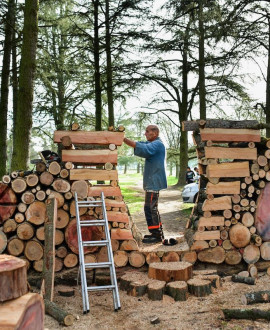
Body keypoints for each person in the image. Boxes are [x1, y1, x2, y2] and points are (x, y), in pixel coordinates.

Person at [123, 125, 167, 244]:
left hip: (154, 182)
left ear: (155, 133)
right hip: (152, 182)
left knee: (150, 208)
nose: (145, 133)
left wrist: (123, 139)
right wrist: (125, 139)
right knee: (150, 207)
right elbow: (141, 144)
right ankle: (156, 233)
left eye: (147, 131)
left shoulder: (157, 144)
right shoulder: (153, 143)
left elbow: (143, 148)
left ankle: (157, 235)